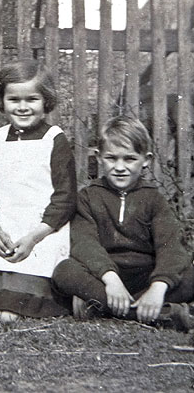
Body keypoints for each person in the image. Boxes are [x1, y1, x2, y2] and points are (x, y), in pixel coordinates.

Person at [0, 60, 77, 324]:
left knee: (11, 312)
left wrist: (34, 237)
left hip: (41, 231)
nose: (22, 107)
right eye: (14, 99)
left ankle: (21, 302)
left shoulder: (54, 139)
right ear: (2, 101)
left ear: (46, 101)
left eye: (32, 99)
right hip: (2, 229)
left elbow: (65, 198)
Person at [52, 115, 194, 330]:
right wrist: (111, 280)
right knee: (64, 270)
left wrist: (158, 286)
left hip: (145, 277)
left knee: (189, 274)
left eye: (129, 159)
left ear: (146, 160)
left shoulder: (154, 199)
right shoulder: (88, 197)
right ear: (99, 157)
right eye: (112, 158)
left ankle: (106, 308)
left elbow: (171, 246)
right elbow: (84, 243)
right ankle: (158, 313)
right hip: (103, 278)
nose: (120, 167)